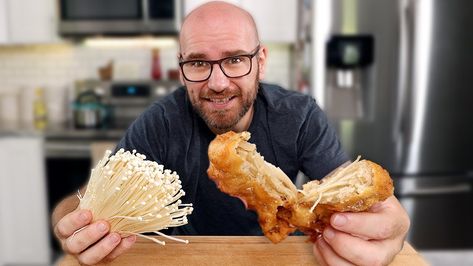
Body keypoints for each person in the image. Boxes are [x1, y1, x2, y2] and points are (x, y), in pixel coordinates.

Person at [52, 1, 410, 265]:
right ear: (181, 69)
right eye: (198, 63)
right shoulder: (161, 122)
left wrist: (389, 224)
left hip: (283, 255)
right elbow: (88, 199)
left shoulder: (299, 116)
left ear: (261, 61)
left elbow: (344, 189)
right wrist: (72, 223)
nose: (218, 82)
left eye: (235, 59)